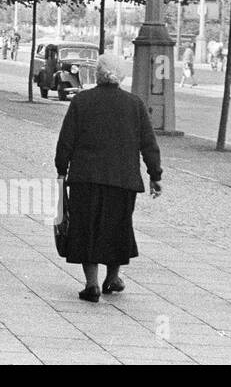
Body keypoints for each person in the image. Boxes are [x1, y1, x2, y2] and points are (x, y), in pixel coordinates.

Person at [55, 54, 163, 302]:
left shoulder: (82, 101)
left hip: (86, 178)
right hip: (122, 180)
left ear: (98, 74)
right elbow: (148, 143)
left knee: (86, 228)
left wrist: (62, 169)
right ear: (121, 75)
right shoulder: (134, 105)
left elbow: (66, 140)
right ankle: (112, 278)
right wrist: (155, 175)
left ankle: (91, 283)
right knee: (117, 228)